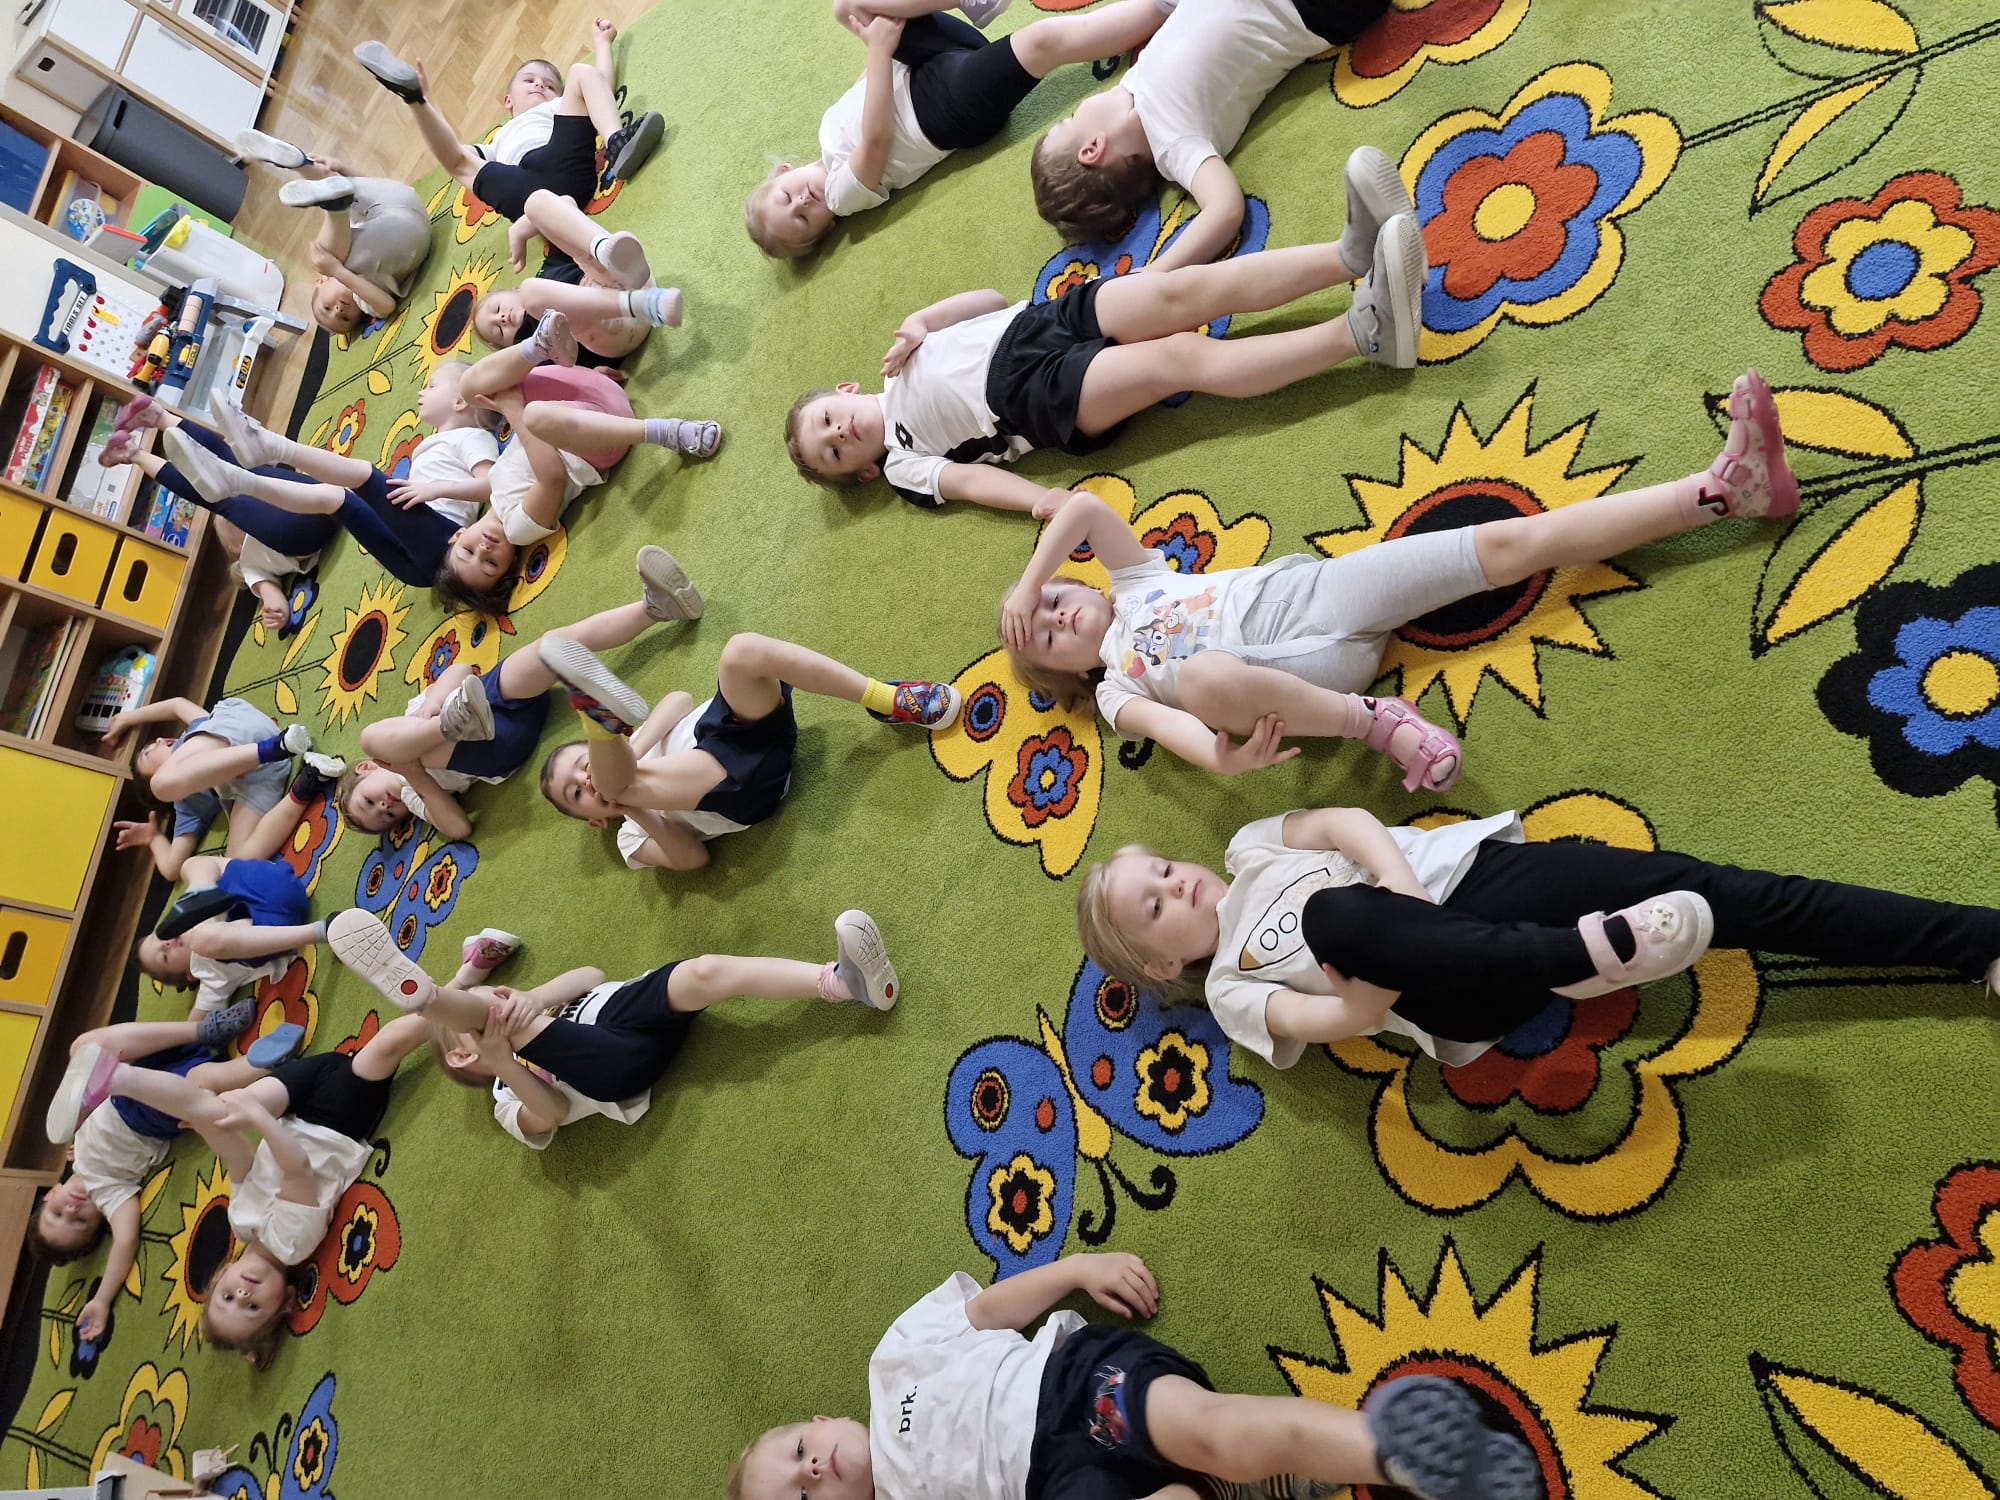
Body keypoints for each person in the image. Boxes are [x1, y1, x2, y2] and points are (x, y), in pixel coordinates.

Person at [1000, 371, 1801, 788]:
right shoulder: (1116, 692)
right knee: (1203, 678)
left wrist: (1026, 582)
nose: (1055, 619)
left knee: (1505, 543)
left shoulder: (1135, 579)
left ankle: (1717, 494)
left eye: (1054, 603)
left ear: (1082, 585)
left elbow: (1083, 508)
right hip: (1304, 681)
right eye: (1047, 638)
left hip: (1316, 594)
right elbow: (1177, 731)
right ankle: (1376, 725)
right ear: (1071, 674)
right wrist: (1222, 761)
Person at [1077, 802, 2000, 1072]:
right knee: (1333, 917)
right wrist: (1388, 941)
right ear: (1164, 962)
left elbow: (1349, 824)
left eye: (1163, 867)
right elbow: (1346, 1019)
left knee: (1709, 890)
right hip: (1443, 991)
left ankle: (1977, 942)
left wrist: (1407, 897)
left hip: (1471, 882)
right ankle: (1576, 959)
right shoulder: (1231, 988)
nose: (1176, 882)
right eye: (1154, 906)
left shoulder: (1250, 845)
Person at [726, 1251, 1538, 1500]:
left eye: (797, 1450)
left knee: (1213, 1428)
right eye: (801, 1499)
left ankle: (1395, 1452)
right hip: (1056, 1487)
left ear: (821, 1421)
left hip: (1078, 1386)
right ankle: (1236, 1488)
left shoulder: (893, 1363)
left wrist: (1078, 1268)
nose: (812, 1470)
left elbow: (988, 1312)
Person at [784, 207, 1424, 514]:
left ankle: (1348, 254)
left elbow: (990, 301)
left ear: (845, 389)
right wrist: (1039, 500)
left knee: (1180, 291)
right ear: (864, 473)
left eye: (827, 419)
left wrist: (923, 322)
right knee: (1178, 357)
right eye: (835, 452)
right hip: (1032, 400)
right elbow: (969, 482)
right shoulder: (901, 465)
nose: (840, 432)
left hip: (1040, 321)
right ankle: (1361, 334)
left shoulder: (902, 355)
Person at [325, 906, 899, 1149]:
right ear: (460, 1056)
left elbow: (592, 975)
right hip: (617, 1069)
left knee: (704, 970)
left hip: (627, 1007)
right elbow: (549, 1114)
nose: (499, 1005)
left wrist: (533, 998)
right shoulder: (503, 1090)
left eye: (490, 997)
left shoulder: (529, 1010)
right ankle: (427, 998)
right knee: (506, 1027)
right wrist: (503, 1059)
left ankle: (842, 983)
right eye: (473, 1018)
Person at [44, 1012, 430, 1368]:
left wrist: (208, 1122)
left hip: (293, 1107)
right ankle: (454, 1000)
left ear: (220, 1276)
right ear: (285, 1300)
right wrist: (257, 1118)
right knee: (390, 1043)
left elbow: (237, 1158)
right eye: (252, 1308)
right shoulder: (291, 1245)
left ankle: (115, 1078)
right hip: (337, 1119)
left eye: (227, 1297)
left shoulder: (242, 1223)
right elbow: (297, 1169)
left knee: (214, 1111)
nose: (243, 1295)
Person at [747, 0, 1169, 259]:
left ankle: (972, 1)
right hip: (947, 109)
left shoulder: (826, 131)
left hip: (924, 65)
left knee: (848, 7)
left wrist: (882, 42)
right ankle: (1163, 7)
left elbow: (869, 86)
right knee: (1044, 41)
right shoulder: (842, 197)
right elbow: (876, 140)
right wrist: (879, 48)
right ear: (826, 227)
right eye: (803, 219)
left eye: (787, 197)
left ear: (785, 172)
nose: (803, 201)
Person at [536, 624, 962, 871]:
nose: (585, 780)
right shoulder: (630, 837)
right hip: (743, 790)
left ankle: (886, 699)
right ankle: (593, 721)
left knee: (742, 650)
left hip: (739, 731)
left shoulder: (637, 747)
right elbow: (691, 859)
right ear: (594, 822)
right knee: (623, 787)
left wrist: (634, 747)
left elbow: (679, 700)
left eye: (584, 765)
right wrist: (631, 806)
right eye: (577, 792)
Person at [354, 548, 701, 840]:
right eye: (386, 816)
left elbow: (461, 670)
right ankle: (450, 726)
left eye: (368, 801)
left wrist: (431, 705)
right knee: (377, 740)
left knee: (551, 645)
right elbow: (458, 828)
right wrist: (414, 774)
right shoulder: (414, 793)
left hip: (487, 696)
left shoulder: (411, 713)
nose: (384, 806)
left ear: (366, 769)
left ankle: (655, 609)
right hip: (494, 746)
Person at [105, 371, 504, 618]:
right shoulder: (453, 462)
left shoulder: (474, 440)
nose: (484, 547)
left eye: (472, 554)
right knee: (339, 499)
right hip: (422, 565)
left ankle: (266, 448)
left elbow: (489, 484)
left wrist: (434, 490)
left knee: (366, 478)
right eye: (488, 557)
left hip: (427, 550)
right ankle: (232, 472)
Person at [1032, 0, 1393, 271]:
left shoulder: (1136, 85)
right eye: (1070, 119)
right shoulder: (1172, 142)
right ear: (1093, 148)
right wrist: (1158, 271)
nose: (1077, 108)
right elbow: (1224, 210)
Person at [29, 1016, 305, 1325]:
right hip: (147, 1114)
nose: (71, 1209)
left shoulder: (77, 1151)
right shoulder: (108, 1192)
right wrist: (101, 1299)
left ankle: (203, 1024)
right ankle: (259, 1066)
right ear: (100, 1218)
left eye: (57, 1213)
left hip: (140, 1071)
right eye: (80, 1221)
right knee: (200, 1080)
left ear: (50, 1194)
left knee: (83, 1047)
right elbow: (125, 1240)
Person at [351, 26, 665, 228]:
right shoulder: (498, 141)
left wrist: (603, 43)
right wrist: (429, 101)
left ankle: (617, 142)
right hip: (525, 192)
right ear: (508, 100)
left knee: (582, 72)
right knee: (458, 161)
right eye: (529, 80)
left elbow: (600, 84)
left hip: (562, 163)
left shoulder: (555, 107)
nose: (540, 85)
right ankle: (415, 100)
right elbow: (455, 152)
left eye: (550, 85)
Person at [102, 695, 336, 880]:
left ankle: (276, 747)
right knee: (235, 863)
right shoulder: (185, 804)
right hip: (265, 772)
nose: (159, 740)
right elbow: (172, 868)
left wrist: (127, 717)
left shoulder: (195, 731)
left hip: (236, 728)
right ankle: (309, 780)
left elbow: (176, 705)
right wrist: (153, 838)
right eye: (148, 752)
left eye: (152, 742)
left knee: (162, 783)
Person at [231, 132, 432, 331]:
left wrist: (342, 169)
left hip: (396, 209)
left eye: (326, 307)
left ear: (320, 283)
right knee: (329, 255)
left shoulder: (351, 241)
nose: (338, 310)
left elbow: (364, 192)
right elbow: (387, 306)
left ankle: (325, 190)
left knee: (346, 204)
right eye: (345, 319)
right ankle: (313, 176)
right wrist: (337, 271)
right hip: (407, 216)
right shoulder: (364, 300)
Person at [476, 189, 681, 368]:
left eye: (497, 308)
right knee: (531, 293)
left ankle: (603, 249)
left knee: (536, 202)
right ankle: (642, 302)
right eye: (499, 331)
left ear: (512, 291)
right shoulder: (533, 346)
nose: (501, 319)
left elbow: (566, 204)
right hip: (617, 330)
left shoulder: (549, 269)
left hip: (630, 282)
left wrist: (519, 229)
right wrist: (593, 376)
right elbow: (562, 376)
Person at [131, 856, 328, 1028]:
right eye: (164, 957)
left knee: (190, 865)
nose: (165, 944)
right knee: (201, 940)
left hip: (266, 883)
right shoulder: (209, 977)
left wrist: (202, 881)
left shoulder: (191, 917)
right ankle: (318, 931)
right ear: (190, 975)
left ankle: (201, 889)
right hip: (278, 925)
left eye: (160, 937)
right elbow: (192, 1027)